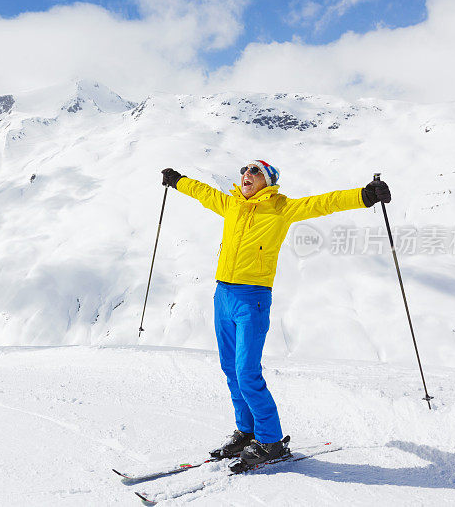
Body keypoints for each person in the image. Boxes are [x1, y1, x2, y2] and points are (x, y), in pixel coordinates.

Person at [160, 161, 390, 467]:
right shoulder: (232, 205)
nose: (246, 175)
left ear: (267, 182)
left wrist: (364, 196)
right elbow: (202, 192)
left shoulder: (279, 208)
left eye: (255, 172)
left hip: (252, 299)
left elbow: (323, 203)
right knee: (230, 369)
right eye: (244, 170)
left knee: (246, 372)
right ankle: (246, 431)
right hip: (223, 295)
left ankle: (270, 441)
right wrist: (178, 181)